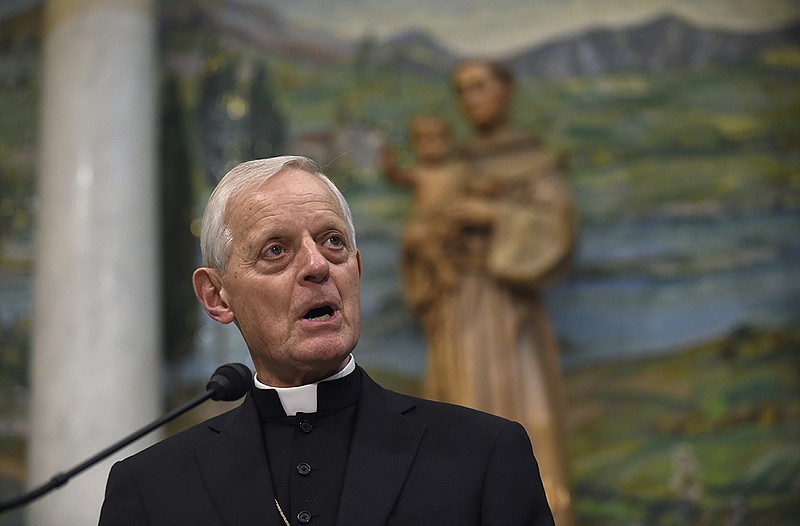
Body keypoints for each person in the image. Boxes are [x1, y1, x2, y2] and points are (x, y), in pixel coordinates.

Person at [98, 155, 555, 525]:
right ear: (217, 296)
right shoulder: (151, 488)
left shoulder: (483, 454)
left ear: (355, 270)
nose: (317, 266)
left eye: (332, 241)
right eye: (275, 249)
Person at [413, 59, 577, 525]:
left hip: (510, 308)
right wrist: (422, 242)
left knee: (528, 421)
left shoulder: (535, 159)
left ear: (507, 88)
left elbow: (556, 230)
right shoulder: (450, 163)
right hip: (457, 307)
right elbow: (427, 227)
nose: (472, 99)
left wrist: (493, 216)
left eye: (481, 86)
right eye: (462, 90)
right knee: (460, 415)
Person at [382, 114, 465, 316]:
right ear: (415, 145)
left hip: (450, 225)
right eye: (425, 140)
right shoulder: (419, 172)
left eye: (439, 138)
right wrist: (389, 164)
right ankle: (441, 268)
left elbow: (474, 186)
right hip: (426, 227)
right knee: (415, 234)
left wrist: (488, 188)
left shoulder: (458, 170)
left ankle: (443, 268)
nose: (432, 145)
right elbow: (396, 178)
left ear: (449, 140)